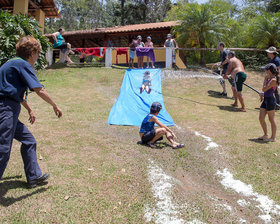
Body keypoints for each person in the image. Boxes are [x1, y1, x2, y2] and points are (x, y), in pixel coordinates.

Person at [0, 36, 63, 188]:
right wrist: (54, 105)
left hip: (9, 107)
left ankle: (33, 176)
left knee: (29, 140)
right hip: (5, 109)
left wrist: (29, 109)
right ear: (32, 52)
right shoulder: (23, 64)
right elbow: (39, 89)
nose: (37, 57)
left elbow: (12, 92)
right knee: (3, 148)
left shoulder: (11, 63)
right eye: (38, 53)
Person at [258, 63, 278, 142]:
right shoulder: (269, 78)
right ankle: (265, 135)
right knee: (261, 118)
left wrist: (265, 79)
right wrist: (262, 94)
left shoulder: (273, 80)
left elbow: (264, 89)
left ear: (269, 70)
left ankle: (273, 138)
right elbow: (265, 91)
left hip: (270, 100)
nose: (264, 71)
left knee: (271, 119)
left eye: (265, 70)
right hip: (266, 99)